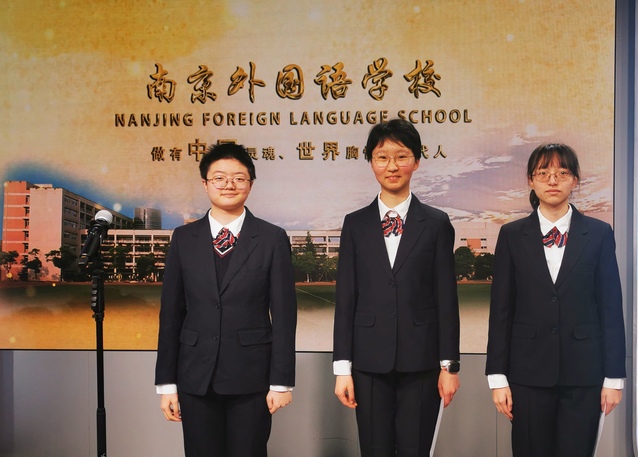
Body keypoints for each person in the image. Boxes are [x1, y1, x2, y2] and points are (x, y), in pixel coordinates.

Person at [155, 142, 297, 457]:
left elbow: (285, 316)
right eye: (219, 178)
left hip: (252, 378)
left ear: (251, 184)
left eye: (238, 178)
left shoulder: (272, 238)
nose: (229, 185)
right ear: (205, 183)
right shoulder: (183, 239)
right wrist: (166, 384)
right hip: (195, 378)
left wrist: (281, 382)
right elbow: (171, 316)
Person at [485, 143, 626, 456]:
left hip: (584, 375)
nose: (552, 180)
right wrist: (497, 376)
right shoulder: (511, 235)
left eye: (562, 173)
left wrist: (614, 377)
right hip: (527, 374)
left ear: (574, 180)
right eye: (543, 173)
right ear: (530, 180)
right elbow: (501, 310)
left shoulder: (599, 233)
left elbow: (610, 308)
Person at [333, 119, 461, 457]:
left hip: (422, 362)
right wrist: (342, 369)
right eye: (382, 157)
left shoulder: (436, 223)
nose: (392, 166)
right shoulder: (355, 224)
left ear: (416, 161)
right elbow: (345, 300)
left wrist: (449, 366)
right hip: (368, 362)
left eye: (401, 156)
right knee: (373, 450)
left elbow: (446, 299)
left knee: (415, 449)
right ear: (371, 162)